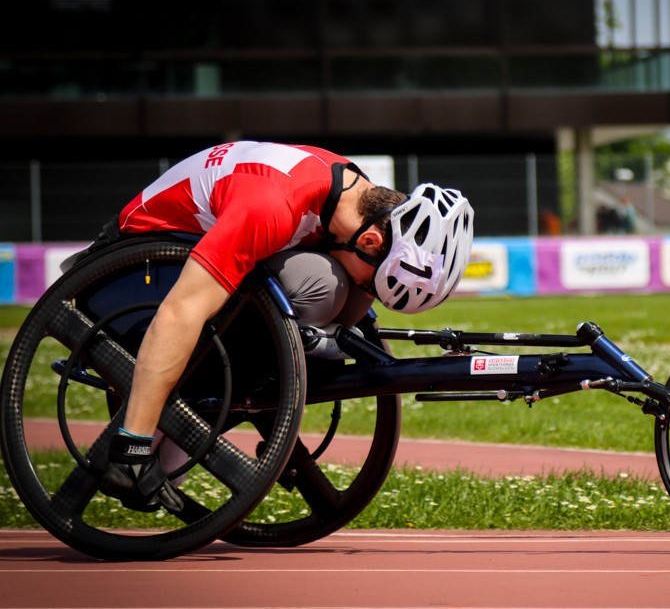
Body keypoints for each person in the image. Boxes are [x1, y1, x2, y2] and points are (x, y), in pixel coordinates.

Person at [95, 140, 474, 511]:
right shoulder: (271, 204)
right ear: (371, 239)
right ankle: (167, 431)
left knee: (348, 301)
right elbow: (180, 312)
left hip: (181, 253)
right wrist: (133, 443)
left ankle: (207, 414)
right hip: (131, 277)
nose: (369, 293)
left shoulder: (352, 194)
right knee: (323, 287)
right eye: (372, 283)